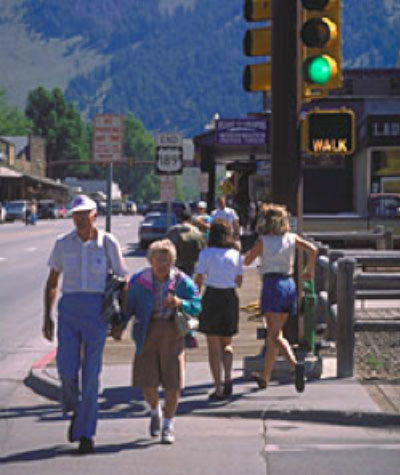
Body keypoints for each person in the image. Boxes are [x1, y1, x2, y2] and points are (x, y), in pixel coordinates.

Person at [42, 194, 128, 454]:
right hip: (69, 310)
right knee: (67, 371)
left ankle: (86, 433)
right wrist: (47, 316)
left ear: (94, 216)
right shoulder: (63, 244)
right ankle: (77, 411)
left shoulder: (107, 243)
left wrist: (120, 321)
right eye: (75, 215)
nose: (79, 219)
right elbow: (53, 281)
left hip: (96, 311)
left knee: (91, 376)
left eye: (84, 214)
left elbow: (124, 281)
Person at [113, 239, 201, 444]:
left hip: (173, 333)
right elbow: (129, 307)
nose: (162, 264)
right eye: (158, 259)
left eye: (167, 260)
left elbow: (197, 306)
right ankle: (155, 411)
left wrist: (180, 302)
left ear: (173, 261)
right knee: (147, 382)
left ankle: (168, 426)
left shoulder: (182, 281)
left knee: (173, 383)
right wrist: (121, 325)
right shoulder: (138, 281)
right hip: (147, 331)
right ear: (150, 260)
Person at [243, 203, 317, 393]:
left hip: (272, 285)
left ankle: (295, 366)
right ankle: (265, 377)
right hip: (289, 284)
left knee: (274, 335)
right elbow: (313, 250)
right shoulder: (291, 238)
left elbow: (247, 260)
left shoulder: (263, 241)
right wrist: (309, 270)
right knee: (275, 335)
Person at [194, 219, 243, 400]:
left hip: (212, 296)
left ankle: (218, 387)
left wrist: (194, 298)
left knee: (213, 347)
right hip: (230, 297)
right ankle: (229, 378)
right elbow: (239, 281)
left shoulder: (206, 254)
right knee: (227, 343)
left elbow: (198, 280)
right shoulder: (235, 254)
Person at [166, 209, 205, 277]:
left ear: (180, 219)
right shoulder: (196, 231)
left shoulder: (172, 231)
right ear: (190, 219)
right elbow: (201, 249)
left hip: (175, 263)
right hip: (190, 264)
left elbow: (166, 247)